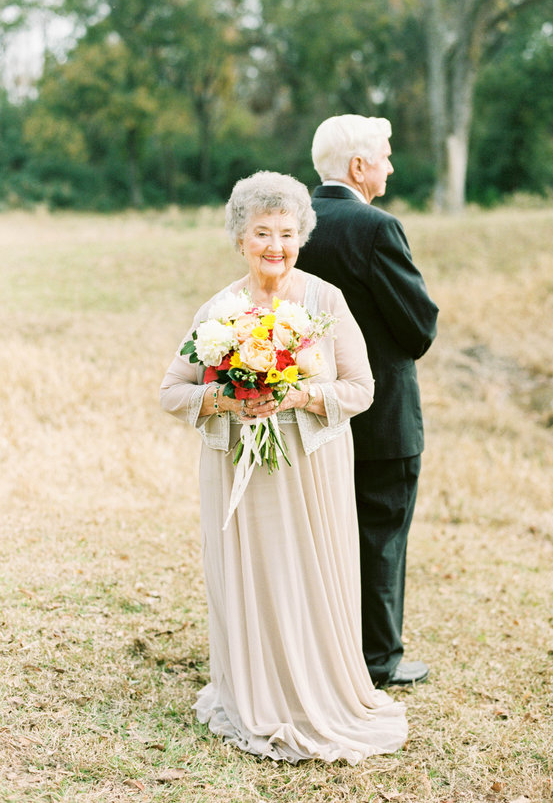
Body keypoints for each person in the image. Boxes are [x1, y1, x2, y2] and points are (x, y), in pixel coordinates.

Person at [159, 171, 407, 764]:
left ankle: (320, 691)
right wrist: (228, 400)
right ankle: (257, 689)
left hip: (311, 469)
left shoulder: (325, 300)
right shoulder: (219, 311)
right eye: (262, 233)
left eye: (288, 233)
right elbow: (172, 391)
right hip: (239, 471)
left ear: (303, 237)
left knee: (310, 575)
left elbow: (361, 388)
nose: (276, 245)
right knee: (257, 574)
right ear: (240, 239)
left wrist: (297, 396)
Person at [298, 115, 439, 688]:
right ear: (359, 166)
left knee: (321, 532)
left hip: (309, 408)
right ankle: (378, 661)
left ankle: (320, 649)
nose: (390, 165)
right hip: (381, 415)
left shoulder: (293, 223)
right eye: (384, 155)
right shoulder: (377, 228)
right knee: (381, 534)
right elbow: (418, 328)